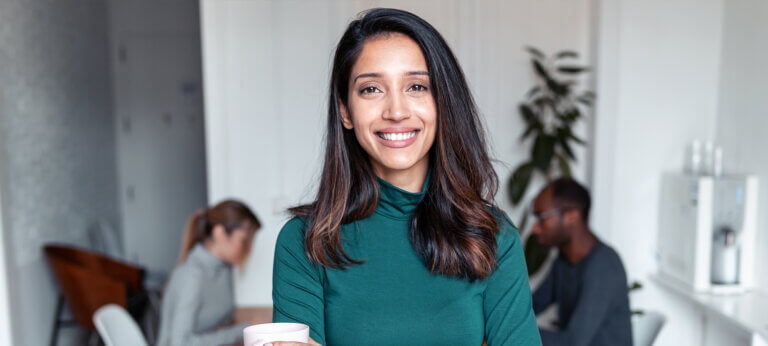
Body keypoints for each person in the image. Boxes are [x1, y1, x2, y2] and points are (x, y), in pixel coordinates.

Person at [270, 8, 541, 346]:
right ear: (345, 110)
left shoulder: (492, 236)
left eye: (416, 86)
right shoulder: (306, 241)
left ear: (443, 102)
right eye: (371, 89)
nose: (396, 111)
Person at [530, 178, 632, 346]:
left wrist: (507, 334)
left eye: (541, 217)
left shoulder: (604, 266)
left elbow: (573, 342)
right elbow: (530, 306)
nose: (534, 227)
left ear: (572, 216)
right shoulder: (563, 261)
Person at [157, 200, 261, 346]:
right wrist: (244, 330)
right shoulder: (191, 276)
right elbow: (179, 343)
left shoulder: (225, 268)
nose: (248, 250)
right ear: (219, 233)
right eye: (243, 241)